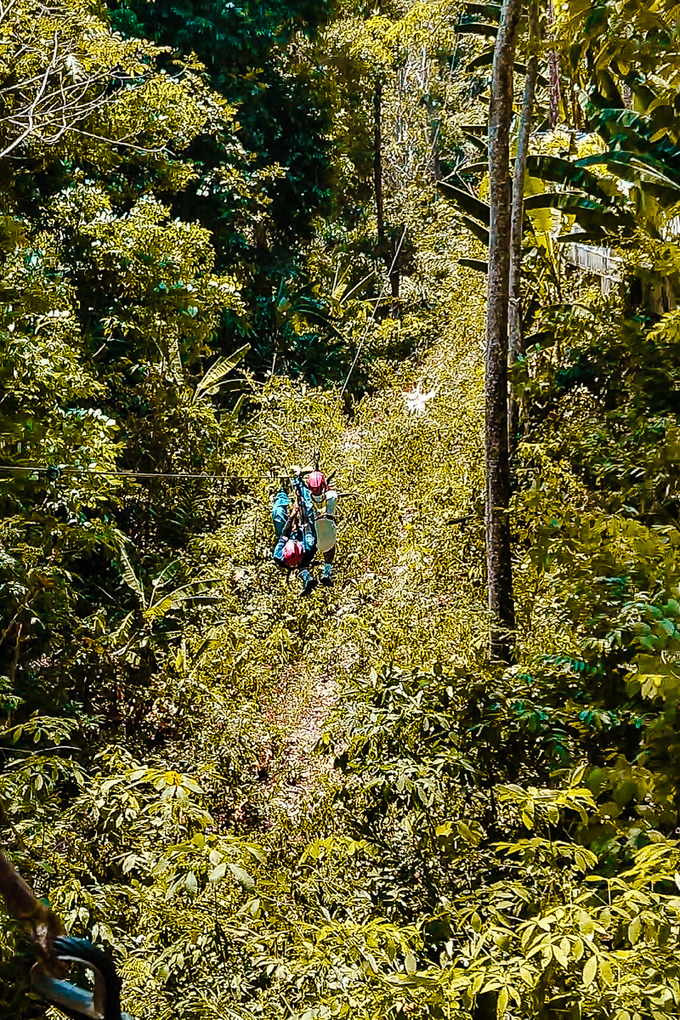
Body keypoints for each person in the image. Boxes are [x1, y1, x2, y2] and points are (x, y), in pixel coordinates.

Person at [271, 478, 318, 595]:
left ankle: (284, 489)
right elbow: (307, 523)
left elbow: (283, 535)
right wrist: (297, 510)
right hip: (301, 535)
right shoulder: (309, 547)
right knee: (308, 509)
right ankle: (294, 487)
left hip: (297, 536)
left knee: (278, 514)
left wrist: (293, 515)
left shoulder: (277, 555)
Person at [306, 470, 337, 586]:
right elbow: (331, 492)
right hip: (329, 538)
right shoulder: (332, 496)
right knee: (330, 547)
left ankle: (307, 575)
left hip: (314, 540)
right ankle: (326, 572)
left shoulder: (306, 500)